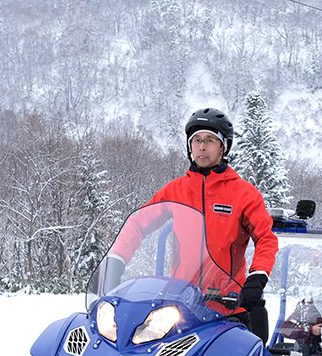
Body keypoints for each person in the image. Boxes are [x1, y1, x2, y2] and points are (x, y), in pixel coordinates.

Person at [109, 108, 279, 343]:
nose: (201, 147)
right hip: (180, 305)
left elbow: (266, 238)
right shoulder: (176, 190)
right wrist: (116, 260)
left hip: (228, 306)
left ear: (223, 147)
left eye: (209, 140)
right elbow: (138, 223)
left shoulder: (243, 194)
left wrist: (256, 278)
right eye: (196, 140)